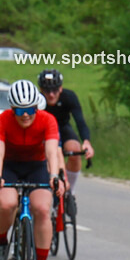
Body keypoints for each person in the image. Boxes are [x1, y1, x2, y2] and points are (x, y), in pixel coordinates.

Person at [0, 80, 63, 260]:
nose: (26, 115)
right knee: (6, 204)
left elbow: (51, 152)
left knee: (41, 209)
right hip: (10, 166)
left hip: (36, 167)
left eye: (30, 109)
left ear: (36, 106)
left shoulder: (47, 120)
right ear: (12, 109)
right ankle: (3, 242)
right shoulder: (1, 121)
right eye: (20, 111)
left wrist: (55, 177)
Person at [37, 69, 93, 204]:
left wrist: (86, 141)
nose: (51, 94)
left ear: (60, 89)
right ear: (40, 89)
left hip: (62, 127)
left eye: (54, 90)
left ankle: (70, 191)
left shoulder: (69, 97)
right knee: (47, 156)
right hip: (43, 131)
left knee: (74, 149)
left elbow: (80, 121)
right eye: (46, 90)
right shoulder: (37, 100)